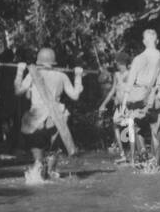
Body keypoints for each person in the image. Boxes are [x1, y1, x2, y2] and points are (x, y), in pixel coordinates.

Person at [14, 48, 84, 180]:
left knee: (38, 157)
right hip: (56, 116)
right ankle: (51, 173)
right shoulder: (62, 76)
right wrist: (78, 76)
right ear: (54, 62)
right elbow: (75, 96)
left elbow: (18, 92)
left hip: (36, 118)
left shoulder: (32, 74)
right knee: (53, 153)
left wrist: (19, 71)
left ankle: (38, 170)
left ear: (39, 61)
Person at [124, 29, 160, 168]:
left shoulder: (138, 59)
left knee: (136, 126)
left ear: (144, 42)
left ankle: (141, 153)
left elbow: (129, 84)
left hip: (139, 99)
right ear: (157, 41)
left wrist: (124, 103)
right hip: (157, 99)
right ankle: (156, 164)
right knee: (157, 131)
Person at [97, 51, 136, 162]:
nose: (116, 65)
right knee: (116, 126)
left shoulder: (131, 74)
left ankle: (133, 158)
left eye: (117, 63)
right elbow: (112, 91)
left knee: (131, 128)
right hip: (118, 106)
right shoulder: (117, 75)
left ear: (121, 63)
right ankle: (123, 154)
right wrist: (103, 104)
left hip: (129, 106)